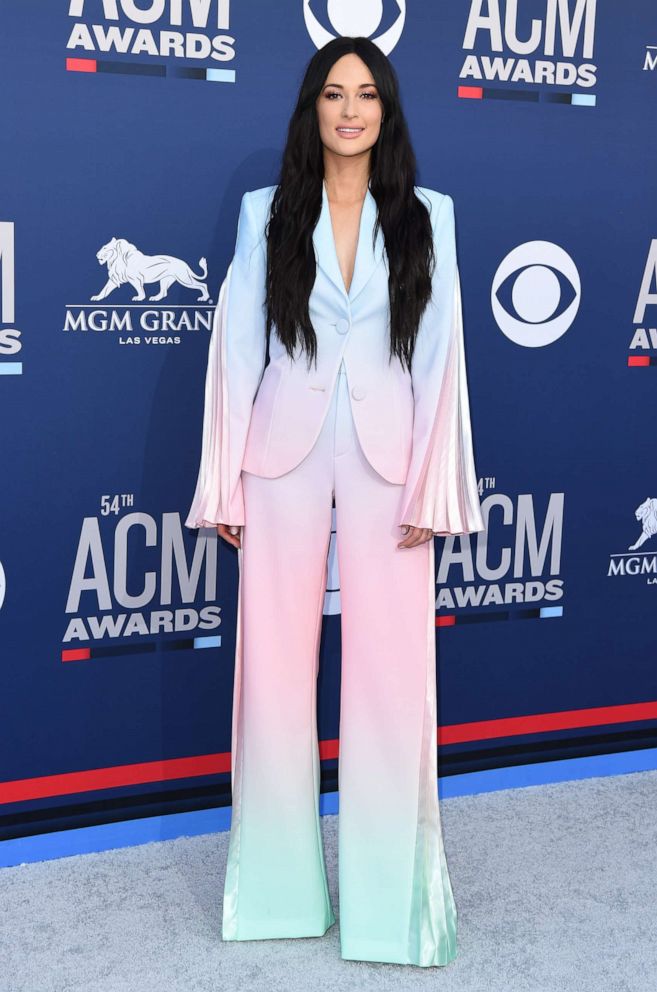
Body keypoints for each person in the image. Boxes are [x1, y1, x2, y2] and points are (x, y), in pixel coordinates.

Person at [185, 35, 485, 968]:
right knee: (271, 678)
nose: (348, 108)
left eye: (365, 93)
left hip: (390, 462)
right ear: (311, 108)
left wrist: (436, 487)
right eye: (331, 92)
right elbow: (236, 346)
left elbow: (441, 359)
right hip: (279, 457)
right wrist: (222, 476)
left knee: (392, 683)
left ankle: (391, 911)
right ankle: (274, 897)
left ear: (386, 110)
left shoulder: (427, 214)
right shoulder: (264, 211)